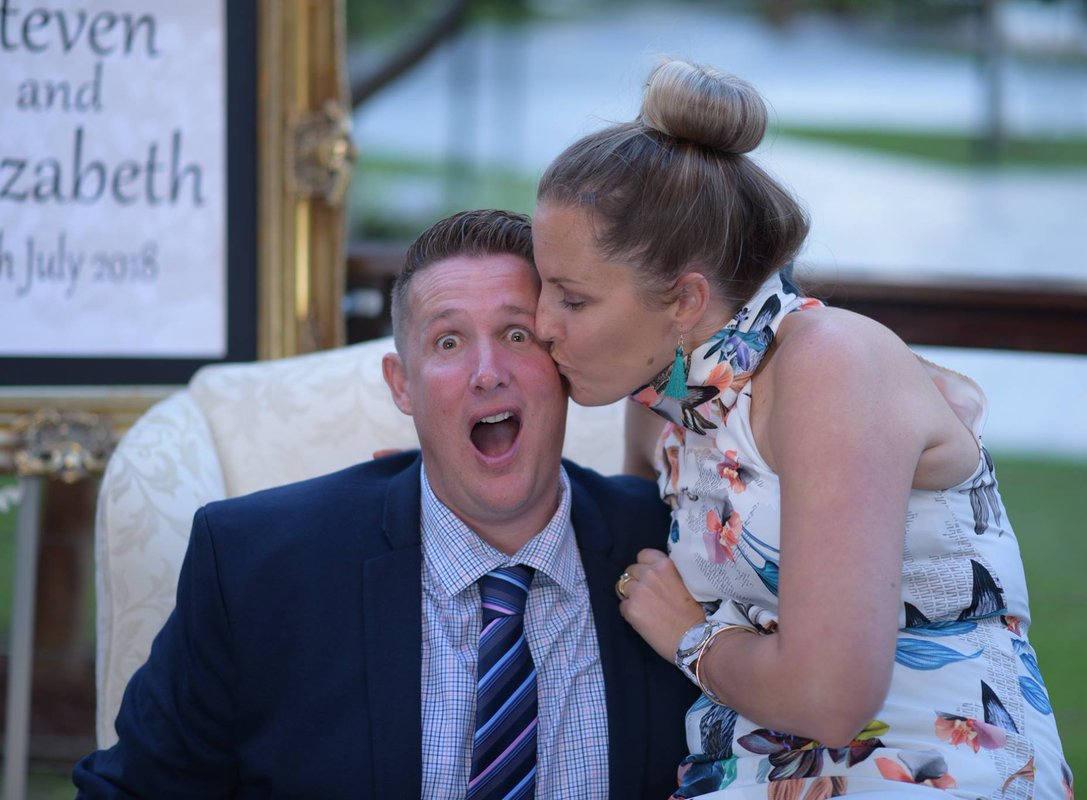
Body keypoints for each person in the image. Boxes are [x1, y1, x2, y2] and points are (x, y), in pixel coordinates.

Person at [531, 60, 1073, 799]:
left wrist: (693, 638)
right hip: (740, 771)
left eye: (572, 299)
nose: (541, 326)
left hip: (927, 768)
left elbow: (831, 697)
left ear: (685, 300)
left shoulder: (828, 365)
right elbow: (620, 548)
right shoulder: (664, 403)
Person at [73, 209, 697, 799]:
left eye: (517, 334)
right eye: (448, 342)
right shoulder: (253, 567)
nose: (487, 371)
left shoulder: (681, 545)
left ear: (563, 360)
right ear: (403, 384)